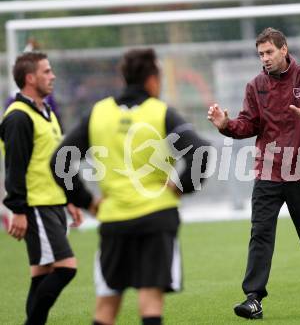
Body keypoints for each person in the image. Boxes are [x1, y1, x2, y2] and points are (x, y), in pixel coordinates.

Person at [50, 48, 209, 325]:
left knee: (107, 304)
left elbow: (59, 162)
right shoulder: (161, 113)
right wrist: (182, 188)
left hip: (114, 220)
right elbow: (202, 153)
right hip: (157, 219)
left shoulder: (98, 113)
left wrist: (87, 200)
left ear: (124, 77)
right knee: (150, 301)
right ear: (151, 80)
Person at [207, 28, 300, 318]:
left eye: (269, 52)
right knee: (260, 234)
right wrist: (226, 124)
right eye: (260, 54)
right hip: (268, 171)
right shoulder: (255, 86)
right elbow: (248, 125)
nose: (264, 58)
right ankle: (253, 299)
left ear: (284, 50)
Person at [0, 52, 83, 325]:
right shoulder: (17, 117)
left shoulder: (46, 111)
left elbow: (56, 163)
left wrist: (70, 200)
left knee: (42, 274)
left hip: (54, 203)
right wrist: (18, 210)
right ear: (30, 78)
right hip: (36, 206)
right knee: (66, 268)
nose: (53, 75)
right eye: (46, 71)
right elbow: (15, 167)